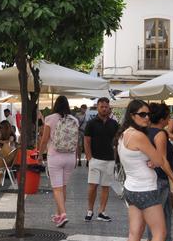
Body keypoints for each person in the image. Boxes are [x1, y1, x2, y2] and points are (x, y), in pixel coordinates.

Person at [117, 100, 173, 241]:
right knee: (159, 233)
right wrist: (153, 160)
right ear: (132, 116)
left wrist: (151, 160)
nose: (147, 117)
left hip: (131, 189)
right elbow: (158, 159)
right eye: (142, 114)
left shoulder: (123, 135)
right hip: (146, 189)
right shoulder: (139, 136)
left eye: (148, 114)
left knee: (134, 233)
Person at [142, 104, 173, 241]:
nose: (170, 119)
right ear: (163, 118)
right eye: (168, 116)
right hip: (160, 178)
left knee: (165, 213)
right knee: (158, 215)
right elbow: (162, 159)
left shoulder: (146, 132)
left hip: (156, 178)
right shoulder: (160, 134)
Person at [38, 95, 78, 227]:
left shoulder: (50, 119)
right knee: (63, 187)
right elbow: (76, 141)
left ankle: (64, 214)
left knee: (56, 188)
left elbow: (44, 140)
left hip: (55, 156)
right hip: (70, 157)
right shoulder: (74, 120)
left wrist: (40, 155)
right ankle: (58, 214)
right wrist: (77, 157)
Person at [83, 97, 119, 222]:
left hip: (109, 159)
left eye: (106, 107)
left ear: (109, 108)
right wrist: (89, 158)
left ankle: (102, 211)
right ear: (97, 107)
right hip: (95, 159)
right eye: (102, 107)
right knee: (92, 186)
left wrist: (115, 157)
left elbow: (117, 139)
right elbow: (86, 140)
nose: (104, 109)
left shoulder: (114, 124)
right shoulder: (91, 123)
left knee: (105, 186)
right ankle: (90, 210)